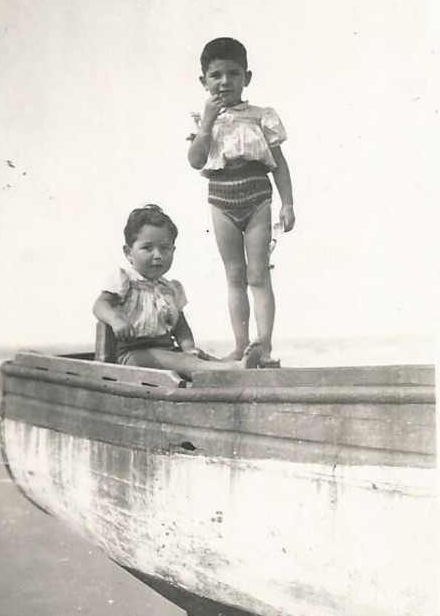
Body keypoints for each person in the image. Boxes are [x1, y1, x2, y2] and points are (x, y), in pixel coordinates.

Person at [187, 37, 295, 367]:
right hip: (220, 197)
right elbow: (195, 160)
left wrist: (288, 203)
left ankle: (265, 347)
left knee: (258, 275)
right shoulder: (203, 120)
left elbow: (280, 162)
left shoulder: (262, 116)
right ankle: (241, 346)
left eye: (233, 74)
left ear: (247, 78)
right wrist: (206, 122)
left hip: (257, 194)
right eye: (216, 75)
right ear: (203, 81)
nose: (225, 82)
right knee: (234, 275)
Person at [93, 204, 263, 378]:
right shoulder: (125, 280)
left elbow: (180, 326)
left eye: (165, 248)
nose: (158, 255)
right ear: (128, 253)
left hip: (166, 351)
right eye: (147, 248)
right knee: (182, 361)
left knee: (196, 356)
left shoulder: (170, 289)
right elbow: (100, 305)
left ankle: (230, 365)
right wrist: (116, 321)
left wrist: (189, 348)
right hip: (133, 354)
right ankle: (234, 369)